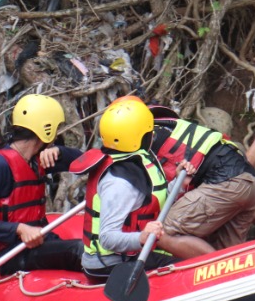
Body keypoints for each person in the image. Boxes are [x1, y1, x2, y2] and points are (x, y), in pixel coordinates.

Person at [70, 97, 191, 281]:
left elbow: (153, 201)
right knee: (185, 268)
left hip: (129, 254)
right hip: (109, 264)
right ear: (142, 137)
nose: (153, 135)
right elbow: (108, 238)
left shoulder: (134, 161)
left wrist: (179, 182)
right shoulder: (120, 183)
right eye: (150, 132)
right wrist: (141, 237)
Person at [0, 93, 84, 274]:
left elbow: (86, 162)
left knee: (92, 249)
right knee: (79, 250)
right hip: (12, 253)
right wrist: (19, 229)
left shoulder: (37, 159)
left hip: (42, 241)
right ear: (47, 130)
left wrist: (59, 151)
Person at [146, 103, 255, 255]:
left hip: (226, 184)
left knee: (161, 232)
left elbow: (162, 197)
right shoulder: (180, 127)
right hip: (251, 183)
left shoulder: (149, 141)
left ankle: (217, 267)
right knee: (225, 251)